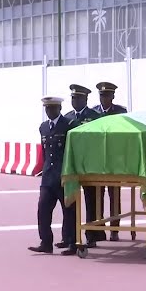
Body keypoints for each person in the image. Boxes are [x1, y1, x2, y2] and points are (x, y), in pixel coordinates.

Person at [28, 96, 78, 256]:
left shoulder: (69, 125)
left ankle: (72, 242)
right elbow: (45, 152)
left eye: (52, 108)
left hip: (64, 176)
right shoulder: (43, 127)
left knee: (69, 211)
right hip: (48, 176)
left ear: (59, 109)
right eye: (47, 109)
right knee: (43, 209)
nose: (49, 111)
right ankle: (46, 242)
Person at [62, 84, 100, 248]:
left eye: (78, 98)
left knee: (92, 202)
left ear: (85, 99)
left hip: (90, 166)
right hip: (73, 166)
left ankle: (92, 235)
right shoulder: (67, 117)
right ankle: (70, 237)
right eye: (73, 98)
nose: (75, 101)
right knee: (70, 202)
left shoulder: (95, 116)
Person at [91, 82, 127, 241]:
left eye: (107, 95)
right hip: (98, 160)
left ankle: (115, 228)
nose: (104, 98)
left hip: (114, 159)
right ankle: (99, 228)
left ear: (113, 96)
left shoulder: (120, 112)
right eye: (101, 96)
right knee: (98, 195)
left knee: (114, 195)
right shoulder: (93, 112)